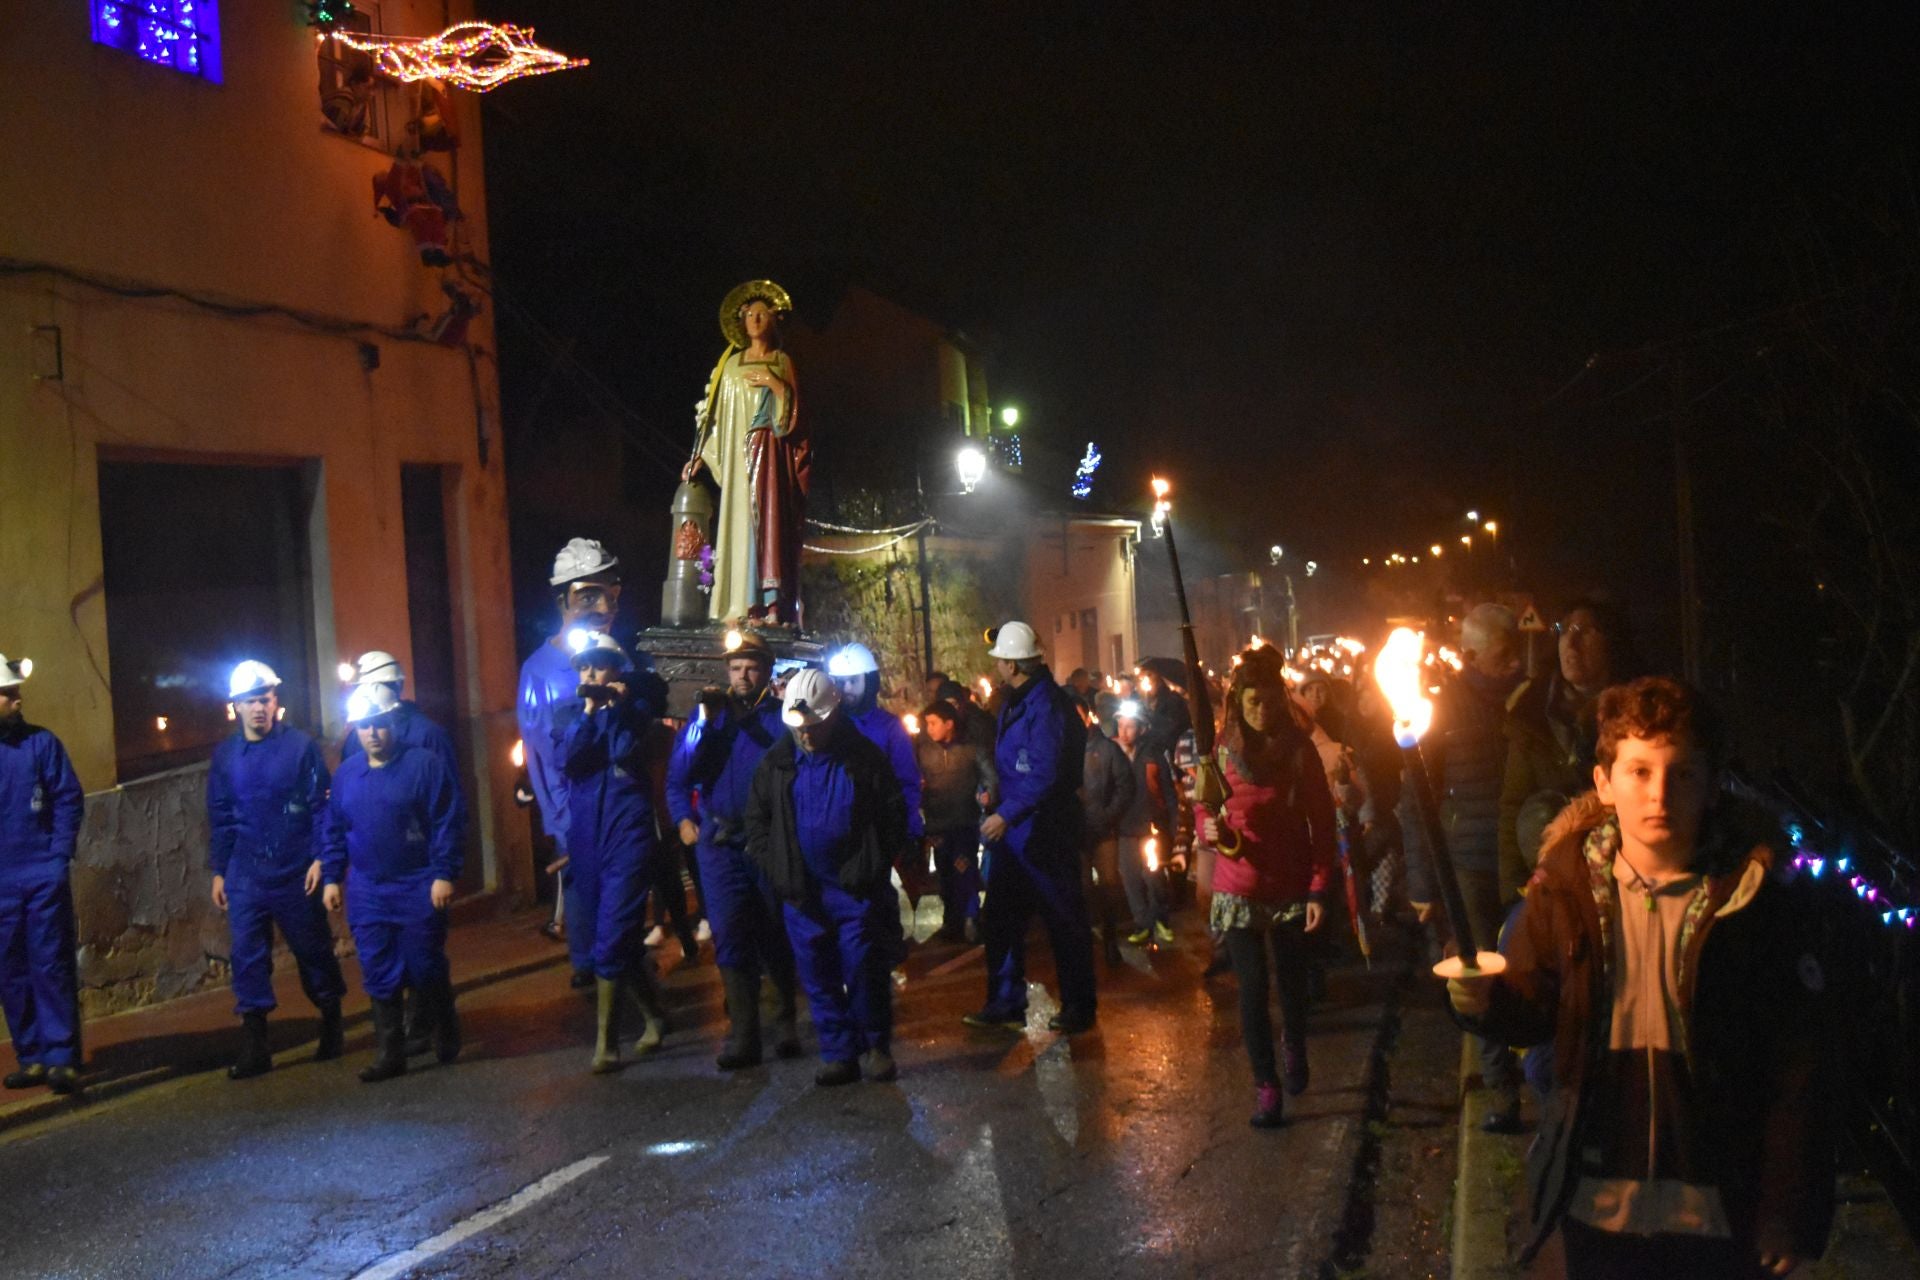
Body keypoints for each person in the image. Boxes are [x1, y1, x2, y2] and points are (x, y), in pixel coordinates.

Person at [1448, 677, 1834, 1278]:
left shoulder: (1754, 903)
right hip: (1598, 1200)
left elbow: (1795, 1064)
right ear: (1604, 783)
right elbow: (1532, 1007)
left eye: (1682, 774)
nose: (1659, 794)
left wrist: (1785, 1205)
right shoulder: (1565, 889)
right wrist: (1481, 998)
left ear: (1711, 786)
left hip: (1721, 1200)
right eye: (1638, 771)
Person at [747, 670, 909, 1086]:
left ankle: (874, 1046)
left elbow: (893, 813)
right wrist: (777, 866)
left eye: (813, 726)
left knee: (862, 969)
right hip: (803, 891)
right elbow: (757, 820)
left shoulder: (865, 759)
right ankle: (838, 1052)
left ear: (832, 715)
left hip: (852, 888)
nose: (806, 735)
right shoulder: (778, 763)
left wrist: (873, 863)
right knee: (817, 975)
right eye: (799, 727)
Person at [1202, 657, 1338, 1127]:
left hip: (1290, 883)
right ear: (1238, 703)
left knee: (1291, 980)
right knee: (1253, 988)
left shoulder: (1298, 749)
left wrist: (1319, 889)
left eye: (1269, 700)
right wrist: (1210, 830)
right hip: (1238, 885)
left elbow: (1322, 821)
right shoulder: (1221, 749)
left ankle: (1295, 1043)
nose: (1261, 710)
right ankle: (1266, 1086)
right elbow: (1205, 808)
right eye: (1252, 701)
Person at [1412, 600, 1528, 1132]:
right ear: (1471, 655)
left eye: (1518, 651)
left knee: (1529, 965)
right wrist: (1422, 882)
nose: (1514, 663)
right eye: (1504, 654)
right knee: (1479, 971)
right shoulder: (1443, 710)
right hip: (1472, 860)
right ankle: (1502, 1090)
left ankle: (1543, 1070)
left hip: (1528, 859)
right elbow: (1417, 797)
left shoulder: (1531, 701)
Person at [665, 633, 802, 1069]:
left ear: (766, 670)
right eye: (736, 668)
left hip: (768, 841)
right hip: (720, 843)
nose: (743, 675)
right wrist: (683, 821)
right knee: (729, 933)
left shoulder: (781, 718)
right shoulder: (709, 717)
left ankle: (784, 1022)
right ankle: (744, 1033)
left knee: (774, 931)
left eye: (752, 667)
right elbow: (679, 773)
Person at [207, 661, 347, 1081]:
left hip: (295, 869)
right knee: (247, 957)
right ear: (235, 706)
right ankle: (255, 1045)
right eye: (250, 701)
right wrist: (219, 870)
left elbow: (323, 806)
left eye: (265, 699)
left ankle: (331, 1019)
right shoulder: (226, 756)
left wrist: (322, 858)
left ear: (275, 701)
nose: (259, 709)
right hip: (246, 873)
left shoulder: (301, 748)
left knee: (313, 951)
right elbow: (220, 816)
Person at [322, 684, 464, 1084]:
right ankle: (390, 1050)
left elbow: (447, 823)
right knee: (377, 966)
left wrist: (443, 873)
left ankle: (444, 1021)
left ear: (393, 723)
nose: (372, 733)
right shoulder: (349, 773)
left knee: (423, 962)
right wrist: (333, 876)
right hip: (368, 887)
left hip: (417, 882)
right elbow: (334, 828)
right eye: (365, 726)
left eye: (379, 725)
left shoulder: (424, 765)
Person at [964, 621, 1096, 1035]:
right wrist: (996, 797)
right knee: (1001, 919)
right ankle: (1005, 1002)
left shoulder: (1046, 707)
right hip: (1020, 832)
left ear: (1013, 664)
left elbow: (1045, 773)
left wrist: (1006, 813)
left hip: (1045, 833)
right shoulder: (1021, 701)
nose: (997, 666)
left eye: (1001, 660)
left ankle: (1078, 1007)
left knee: (1064, 922)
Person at [559, 633, 669, 1073]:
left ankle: (606, 1042)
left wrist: (619, 709)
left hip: (628, 837)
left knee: (612, 934)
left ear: (616, 670)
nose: (590, 674)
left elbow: (627, 750)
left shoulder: (637, 714)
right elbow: (572, 759)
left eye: (599, 666)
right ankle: (655, 1017)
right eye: (584, 667)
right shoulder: (573, 717)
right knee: (611, 939)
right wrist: (589, 713)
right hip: (587, 839)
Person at [518, 537, 622, 990]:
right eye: (586, 595)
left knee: (620, 889)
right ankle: (587, 964)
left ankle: (621, 960)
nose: (600, 606)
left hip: (617, 802)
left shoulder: (617, 658)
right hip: (575, 807)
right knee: (581, 890)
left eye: (607, 593)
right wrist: (560, 821)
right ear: (562, 600)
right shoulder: (539, 672)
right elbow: (542, 757)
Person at [682, 282, 811, 625]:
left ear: (773, 320)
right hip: (738, 463)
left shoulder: (782, 361)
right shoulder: (730, 363)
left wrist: (775, 384)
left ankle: (768, 605)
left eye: (762, 313)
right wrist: (702, 455)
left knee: (765, 527)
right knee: (737, 526)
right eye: (749, 314)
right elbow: (717, 419)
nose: (754, 319)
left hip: (768, 460)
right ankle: (736, 604)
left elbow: (792, 421)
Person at [1500, 598, 1637, 903]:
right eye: (1563, 630)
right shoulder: (1530, 710)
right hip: (1553, 884)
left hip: (1624, 878)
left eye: (1584, 631)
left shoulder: (1638, 712)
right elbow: (1513, 805)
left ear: (1611, 641)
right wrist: (1514, 894)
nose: (1570, 642)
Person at [0, 652, 85, 1096]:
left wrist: (57, 857)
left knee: (50, 965)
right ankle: (31, 1056)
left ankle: (61, 1058)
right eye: (7, 693)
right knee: (9, 970)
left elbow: (68, 798)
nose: (17, 700)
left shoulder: (41, 745)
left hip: (40, 877)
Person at [827, 644, 925, 938]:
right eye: (841, 682)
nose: (846, 689)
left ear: (869, 682)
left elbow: (907, 782)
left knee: (877, 904)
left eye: (853, 681)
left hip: (876, 834)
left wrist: (910, 830)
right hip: (834, 835)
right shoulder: (825, 726)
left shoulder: (889, 729)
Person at [916, 699, 996, 943]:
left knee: (965, 870)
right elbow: (912, 778)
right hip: (937, 826)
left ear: (949, 724)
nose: (929, 729)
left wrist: (988, 795)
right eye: (926, 724)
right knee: (944, 873)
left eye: (933, 723)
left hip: (964, 823)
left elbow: (991, 777)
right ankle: (950, 920)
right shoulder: (923, 751)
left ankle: (970, 918)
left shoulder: (971, 749)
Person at [1112, 700, 1179, 947]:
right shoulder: (1112, 752)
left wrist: (1174, 823)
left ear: (1141, 728)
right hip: (1125, 827)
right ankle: (1143, 923)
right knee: (1130, 877)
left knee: (1154, 876)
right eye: (1121, 725)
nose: (1124, 731)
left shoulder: (1154, 754)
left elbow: (1168, 792)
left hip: (1151, 826)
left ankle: (1160, 918)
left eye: (1130, 726)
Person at [1078, 693, 1135, 966]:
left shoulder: (1107, 749)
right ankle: (1086, 938)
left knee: (1110, 884)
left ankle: (1111, 939)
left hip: (1103, 831)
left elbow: (1126, 785)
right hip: (1075, 831)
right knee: (1082, 886)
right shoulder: (1060, 749)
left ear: (1087, 716)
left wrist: (1108, 815)